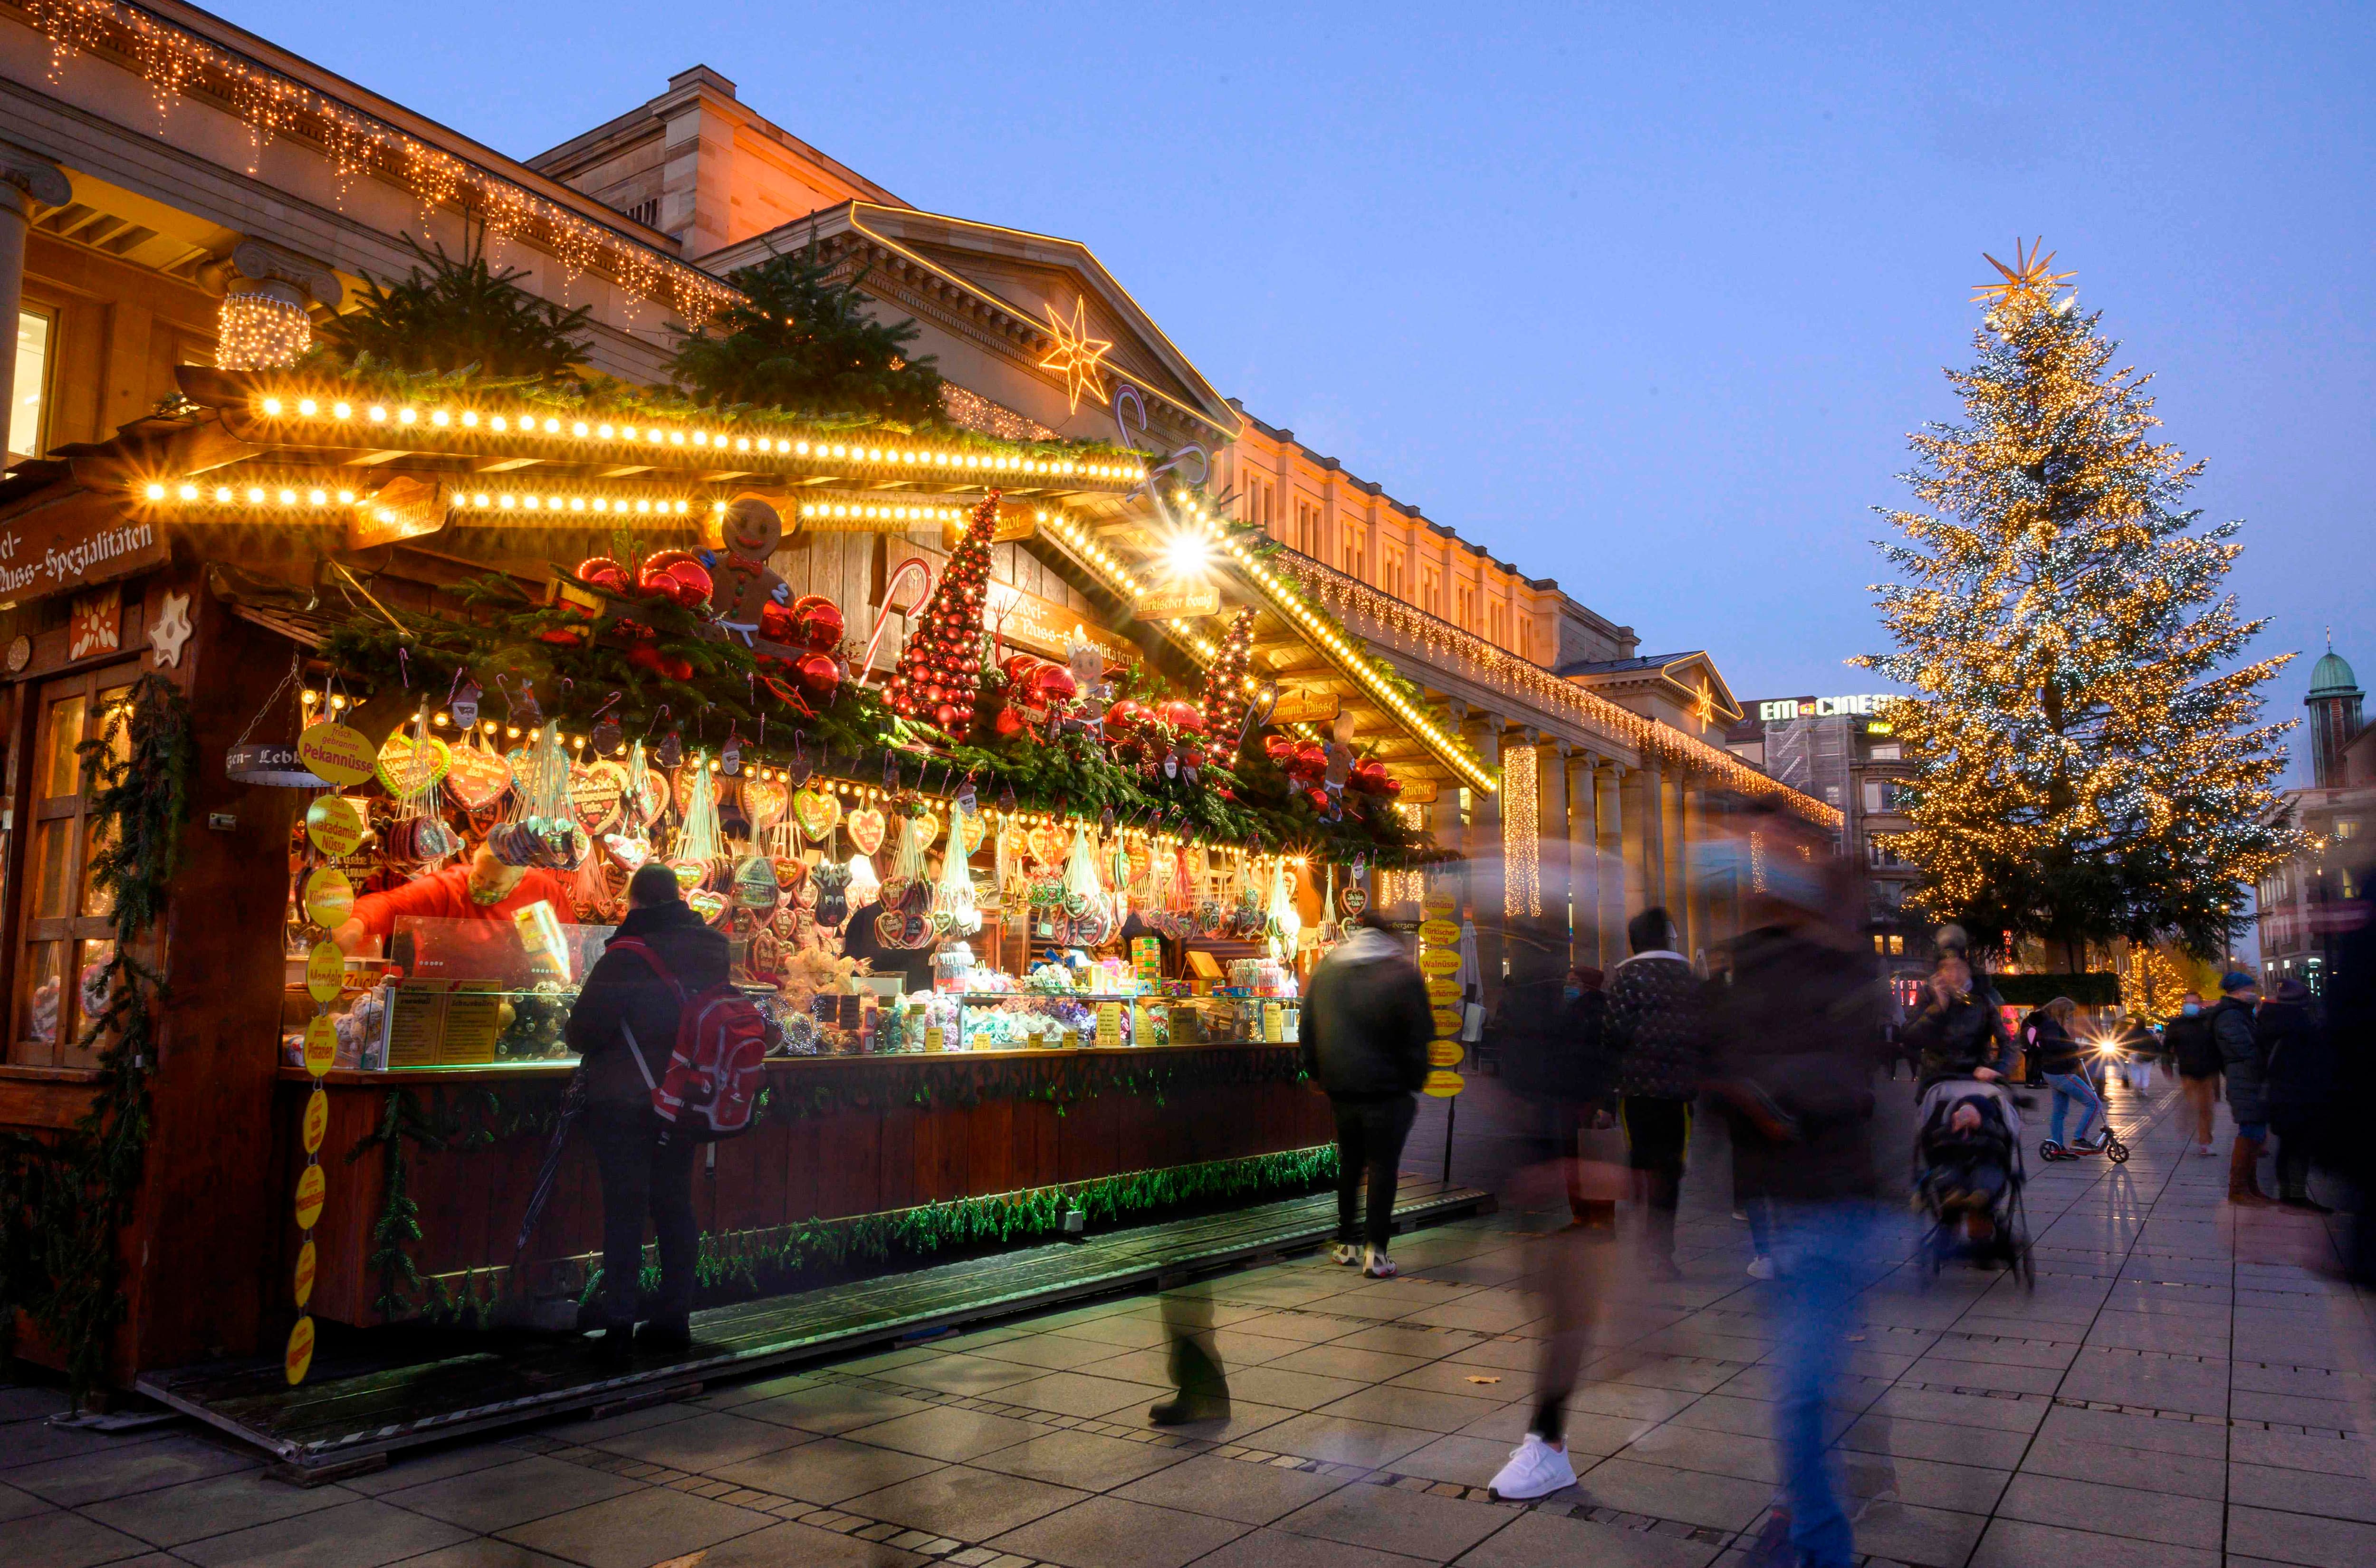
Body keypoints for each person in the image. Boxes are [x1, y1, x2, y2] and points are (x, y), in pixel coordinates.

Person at [1708, 845, 1887, 1568]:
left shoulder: (1838, 975)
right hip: (1793, 1195)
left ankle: (1817, 1538)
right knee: (1813, 1382)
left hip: (1830, 1200)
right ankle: (1822, 1512)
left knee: (1805, 1390)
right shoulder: (1763, 969)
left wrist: (1767, 1094)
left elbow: (1846, 1083)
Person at [564, 861, 728, 1358]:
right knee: (675, 1204)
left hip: (628, 1100)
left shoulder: (626, 955)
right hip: (684, 1097)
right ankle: (673, 1316)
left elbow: (583, 1032)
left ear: (635, 901)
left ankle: (618, 1324)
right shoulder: (712, 950)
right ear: (677, 898)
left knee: (625, 1209)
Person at [1485, 936, 1619, 1501]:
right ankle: (1546, 1441)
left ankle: (1548, 1442)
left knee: (1567, 1304)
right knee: (1557, 1302)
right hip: (1553, 1158)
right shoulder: (1544, 1005)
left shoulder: (1535, 1004)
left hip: (1566, 1159)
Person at [1299, 908, 1431, 1278]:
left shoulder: (1328, 968)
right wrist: (1415, 1080)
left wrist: (1316, 1073)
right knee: (1383, 1167)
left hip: (1342, 1088)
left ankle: (1347, 1244)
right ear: (1389, 936)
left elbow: (1307, 1025)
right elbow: (1419, 1034)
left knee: (1351, 1164)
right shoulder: (1402, 973)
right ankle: (1378, 1252)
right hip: (1389, 1090)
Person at [1604, 907, 1710, 1281]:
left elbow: (1613, 1036)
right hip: (1680, 1096)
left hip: (1636, 1092)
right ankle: (1661, 1254)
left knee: (1640, 1166)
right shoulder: (1691, 980)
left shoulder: (1627, 979)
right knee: (1669, 1171)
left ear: (1634, 942)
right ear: (1667, 939)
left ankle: (1639, 1247)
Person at [334, 842, 575, 957]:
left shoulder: (544, 890)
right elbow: (390, 904)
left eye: (495, 884)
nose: (483, 886)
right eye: (479, 877)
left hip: (517, 1001)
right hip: (441, 998)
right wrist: (357, 922)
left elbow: (572, 944)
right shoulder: (448, 886)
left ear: (520, 878)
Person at [2259, 978, 2336, 1214]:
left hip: (2278, 1094)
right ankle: (2296, 1194)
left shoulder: (2268, 1021)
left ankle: (2289, 1193)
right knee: (2299, 1145)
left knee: (2288, 1144)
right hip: (2298, 1095)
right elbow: (2313, 1064)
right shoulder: (2301, 1027)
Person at [1901, 956, 2009, 1093]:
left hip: (1977, 1083)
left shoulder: (1984, 998)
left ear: (1968, 970)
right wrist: (1937, 1009)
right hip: (1937, 1086)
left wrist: (1997, 1069)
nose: (1954, 975)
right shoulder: (1929, 995)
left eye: (1959, 967)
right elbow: (1910, 1039)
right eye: (1946, 968)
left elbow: (2007, 1041)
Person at [2209, 971, 2272, 1207]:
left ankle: (2250, 1188)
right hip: (2244, 1079)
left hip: (2249, 1079)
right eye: (2249, 988)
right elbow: (2244, 1049)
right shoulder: (2230, 1017)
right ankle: (2238, 1189)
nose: (2253, 993)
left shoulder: (2241, 1014)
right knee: (2250, 1131)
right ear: (2238, 991)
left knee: (2256, 1132)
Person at [2026, 997, 2106, 1151]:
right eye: (2069, 1014)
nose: (2069, 1017)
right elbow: (2054, 1045)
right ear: (2062, 1011)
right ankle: (2079, 1139)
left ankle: (2057, 1145)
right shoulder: (2050, 1025)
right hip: (2061, 1073)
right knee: (2094, 1103)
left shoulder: (2047, 1024)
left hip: (2053, 1071)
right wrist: (2076, 1045)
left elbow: (2052, 1046)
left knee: (2059, 1111)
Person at [2164, 991, 2221, 1156]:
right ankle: (2191, 1129)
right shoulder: (2176, 1024)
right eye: (2188, 1003)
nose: (2191, 1006)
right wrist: (2166, 1064)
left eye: (2194, 1003)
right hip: (2187, 1072)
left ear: (2200, 1004)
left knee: (2206, 1108)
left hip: (2208, 1071)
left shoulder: (2208, 1023)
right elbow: (2168, 1046)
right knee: (2192, 1105)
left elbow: (2217, 1046)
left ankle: (2205, 1141)